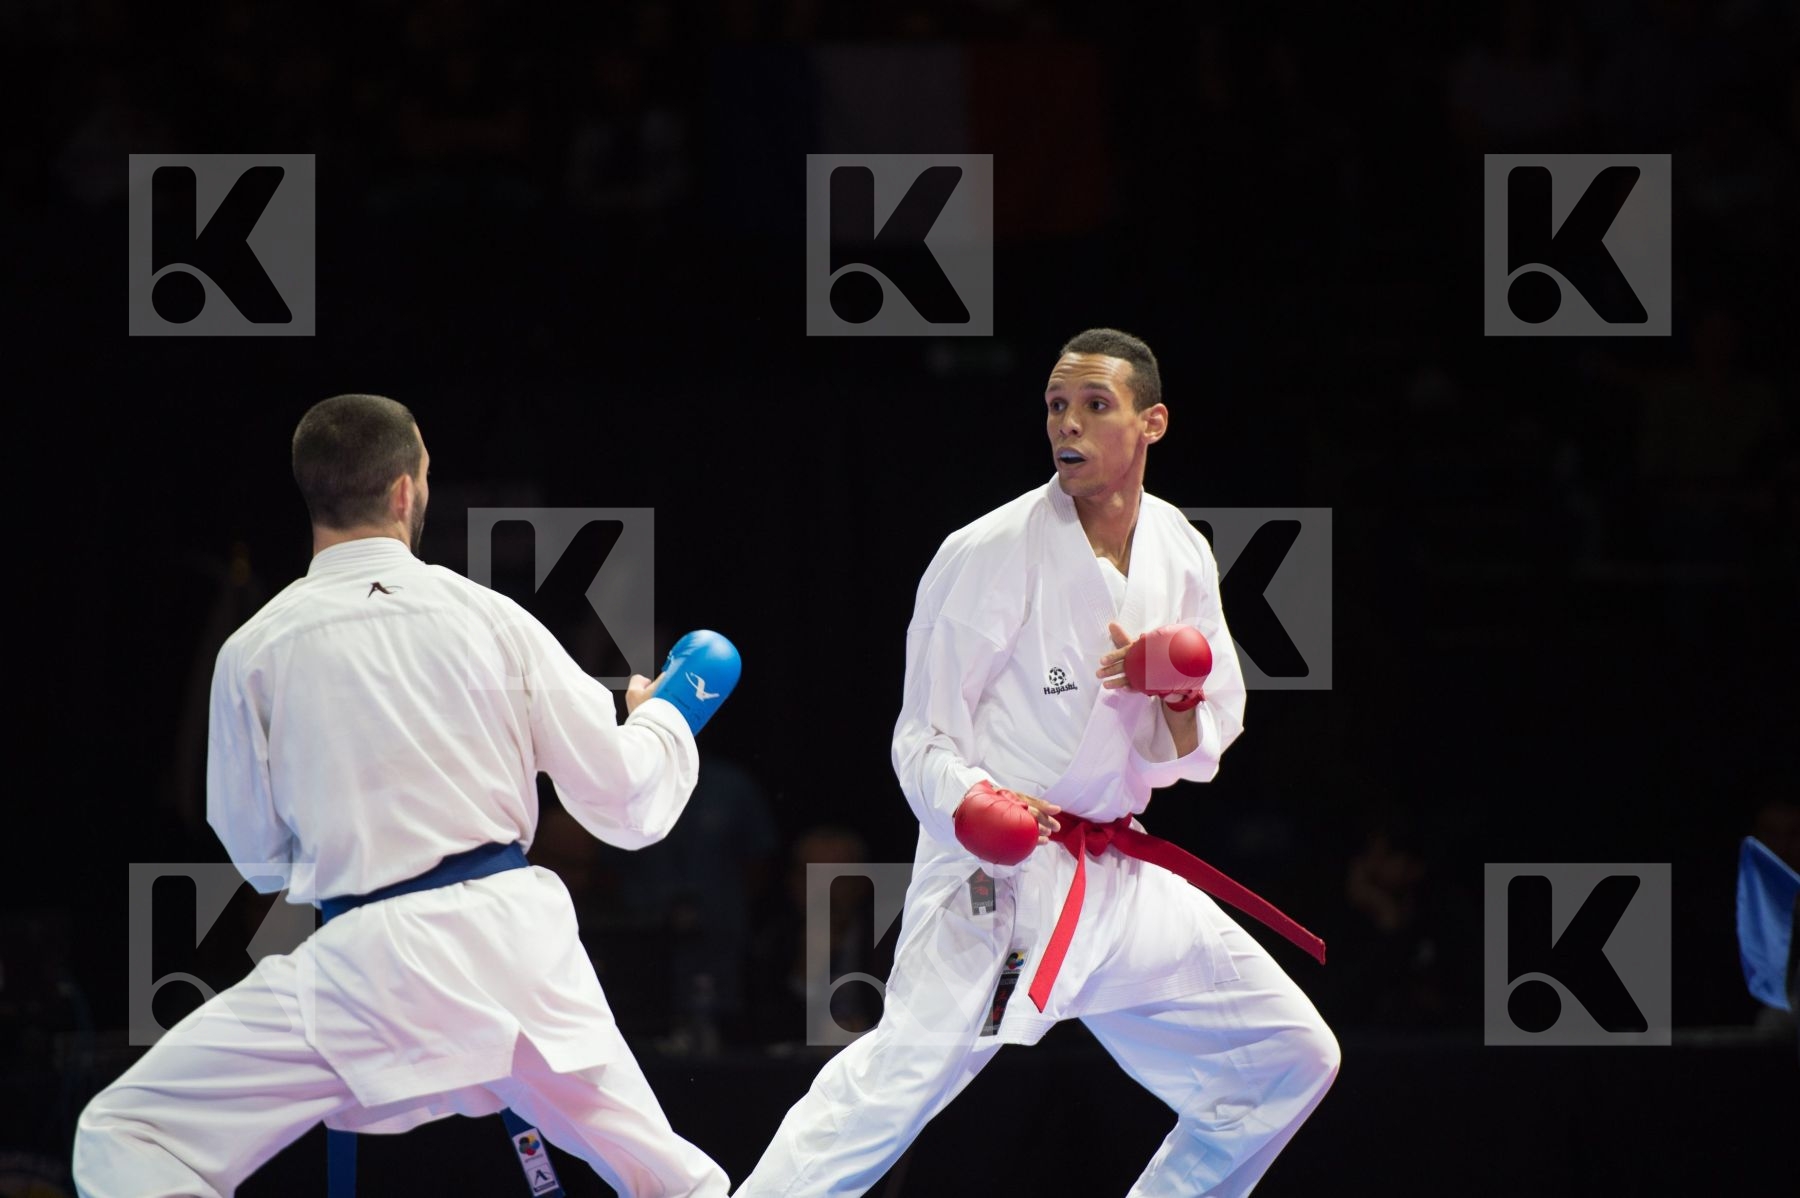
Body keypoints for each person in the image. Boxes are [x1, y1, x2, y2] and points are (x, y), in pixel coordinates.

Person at [72, 394, 734, 1197]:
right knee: (675, 1183)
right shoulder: (491, 618)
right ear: (404, 492)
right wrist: (666, 715)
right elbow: (624, 802)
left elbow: (257, 858)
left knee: (126, 1132)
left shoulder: (254, 651)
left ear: (314, 493)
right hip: (518, 960)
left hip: (362, 975)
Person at [736, 330, 1339, 1197]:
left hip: (1116, 875)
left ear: (1152, 423)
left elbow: (1201, 754)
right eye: (1058, 405)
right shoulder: (988, 551)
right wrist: (976, 801)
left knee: (1287, 1057)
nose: (1070, 423)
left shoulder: (1180, 549)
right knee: (893, 1089)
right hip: (999, 877)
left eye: (1096, 405)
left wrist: (1173, 700)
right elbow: (920, 739)